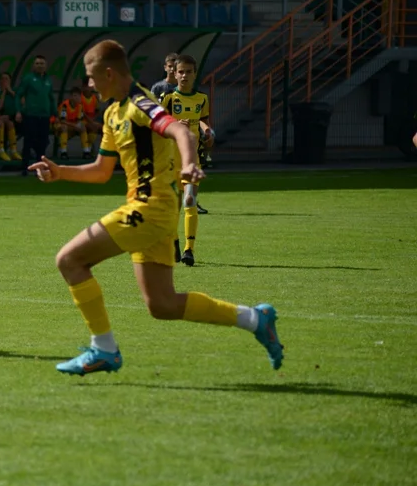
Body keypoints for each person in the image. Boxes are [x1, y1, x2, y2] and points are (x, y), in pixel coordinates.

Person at [28, 40, 282, 376]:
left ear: (108, 73)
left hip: (152, 207)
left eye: (91, 77)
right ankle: (255, 319)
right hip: (150, 210)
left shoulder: (139, 103)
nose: (89, 85)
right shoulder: (112, 112)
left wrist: (189, 165)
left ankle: (103, 349)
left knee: (70, 260)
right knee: (162, 305)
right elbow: (102, 172)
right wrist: (61, 172)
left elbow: (180, 130)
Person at [159, 55, 212, 266]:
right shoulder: (169, 98)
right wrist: (174, 124)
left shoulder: (202, 99)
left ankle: (189, 250)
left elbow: (203, 122)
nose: (184, 76)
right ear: (174, 73)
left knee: (189, 200)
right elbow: (159, 127)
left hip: (192, 159)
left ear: (194, 73)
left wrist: (208, 132)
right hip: (172, 160)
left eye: (189, 72)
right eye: (181, 71)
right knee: (173, 207)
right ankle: (174, 241)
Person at [13, 55, 56, 175]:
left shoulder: (48, 80)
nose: (39, 65)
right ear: (33, 65)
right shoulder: (28, 78)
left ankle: (40, 168)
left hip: (45, 116)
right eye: (37, 63)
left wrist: (55, 114)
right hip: (31, 115)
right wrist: (18, 111)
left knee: (43, 143)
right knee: (28, 141)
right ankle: (24, 168)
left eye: (42, 63)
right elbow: (18, 95)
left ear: (46, 66)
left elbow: (51, 98)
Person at [52, 89, 89, 160]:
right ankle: (63, 152)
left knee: (82, 127)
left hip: (71, 125)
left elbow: (79, 120)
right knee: (64, 127)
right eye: (74, 96)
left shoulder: (80, 106)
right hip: (59, 125)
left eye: (78, 96)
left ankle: (86, 152)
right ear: (70, 97)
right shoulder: (65, 105)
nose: (77, 98)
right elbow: (62, 120)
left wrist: (78, 125)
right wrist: (74, 126)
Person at [0, 71, 22, 161]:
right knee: (7, 122)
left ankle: (14, 151)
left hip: (18, 118)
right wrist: (4, 92)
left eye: (6, 79)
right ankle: (2, 151)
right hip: (4, 119)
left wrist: (10, 91)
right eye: (2, 79)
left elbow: (22, 102)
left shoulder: (16, 90)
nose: (4, 81)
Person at [79, 86, 103, 157]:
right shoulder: (80, 98)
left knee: (101, 128)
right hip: (82, 121)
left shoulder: (94, 98)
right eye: (86, 87)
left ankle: (90, 149)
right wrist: (91, 121)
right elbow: (81, 112)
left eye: (90, 87)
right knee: (92, 126)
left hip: (92, 120)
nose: (88, 89)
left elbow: (97, 110)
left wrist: (93, 119)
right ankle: (87, 150)